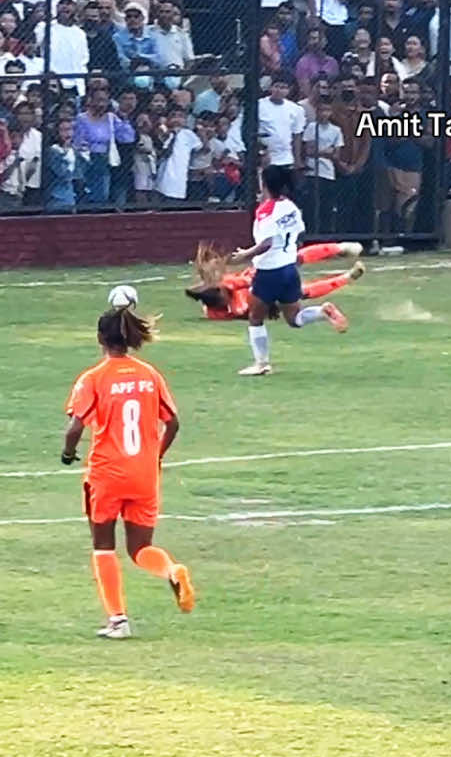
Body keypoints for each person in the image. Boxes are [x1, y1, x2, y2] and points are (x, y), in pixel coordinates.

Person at [62, 303, 194, 639]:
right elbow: (173, 423)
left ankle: (118, 621)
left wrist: (68, 453)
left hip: (107, 475)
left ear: (99, 339)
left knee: (103, 546)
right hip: (144, 474)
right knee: (140, 548)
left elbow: (75, 428)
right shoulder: (150, 375)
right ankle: (170, 569)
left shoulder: (93, 379)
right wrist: (156, 456)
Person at [231, 164, 349, 376]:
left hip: (269, 271)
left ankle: (261, 363)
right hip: (289, 269)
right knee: (294, 319)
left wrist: (245, 255)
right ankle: (323, 311)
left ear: (264, 183)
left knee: (255, 318)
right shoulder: (290, 206)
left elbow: (267, 243)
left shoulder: (265, 211)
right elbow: (298, 234)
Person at [185, 240, 365, 319]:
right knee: (301, 292)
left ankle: (340, 248)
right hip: (264, 299)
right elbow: (246, 312)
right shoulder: (225, 311)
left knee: (292, 260)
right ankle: (347, 277)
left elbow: (250, 281)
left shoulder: (228, 285)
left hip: (260, 279)